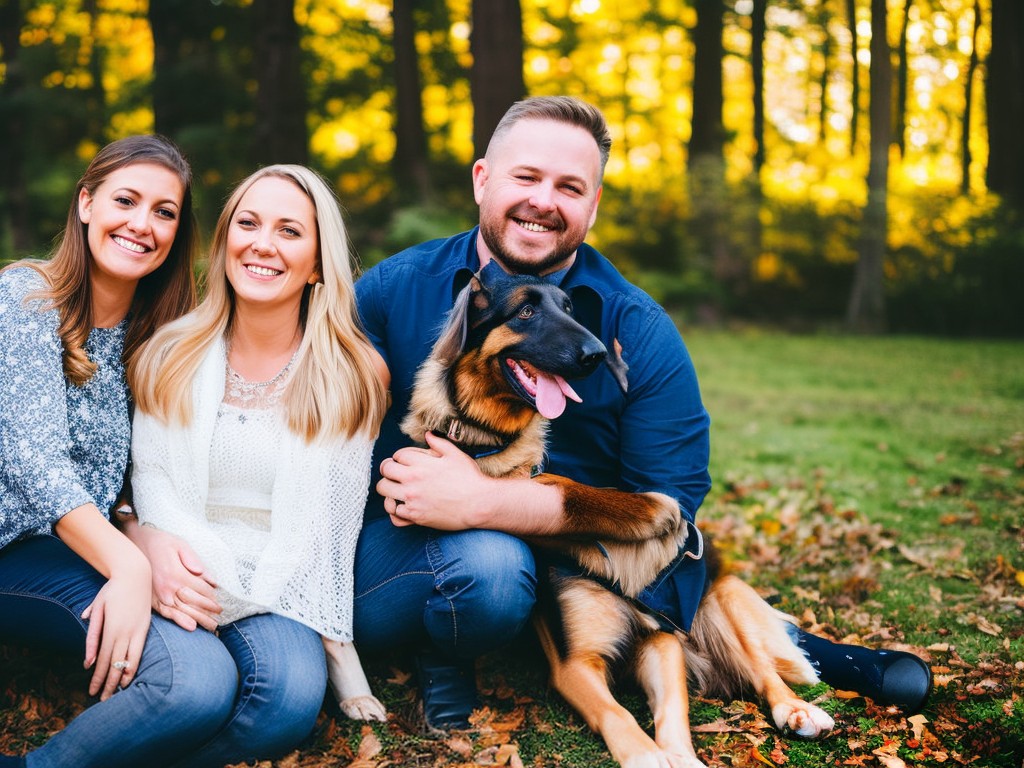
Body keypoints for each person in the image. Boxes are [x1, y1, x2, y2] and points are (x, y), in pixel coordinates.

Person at [354, 96, 932, 731]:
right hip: (410, 545)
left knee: (652, 565)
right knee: (494, 568)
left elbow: (673, 502)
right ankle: (445, 650)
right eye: (526, 176)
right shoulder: (393, 288)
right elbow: (306, 405)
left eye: (569, 186)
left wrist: (487, 502)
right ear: (482, 179)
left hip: (578, 566)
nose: (544, 200)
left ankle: (791, 653)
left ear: (593, 205)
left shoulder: (640, 327)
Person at [121, 164, 390, 768]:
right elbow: (150, 483)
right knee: (197, 687)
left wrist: (336, 648)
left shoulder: (353, 376)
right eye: (248, 223)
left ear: (319, 263)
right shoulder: (166, 353)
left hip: (280, 582)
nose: (262, 244)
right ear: (223, 245)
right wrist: (156, 551)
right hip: (177, 564)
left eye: (289, 231)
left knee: (288, 702)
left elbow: (330, 531)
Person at [0, 135, 240, 768]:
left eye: (164, 211)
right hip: (11, 548)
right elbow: (35, 463)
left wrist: (138, 531)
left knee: (205, 677)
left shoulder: (161, 337)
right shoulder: (25, 299)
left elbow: (138, 471)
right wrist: (128, 566)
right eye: (126, 200)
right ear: (86, 203)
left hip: (78, 547)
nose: (143, 224)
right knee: (192, 684)